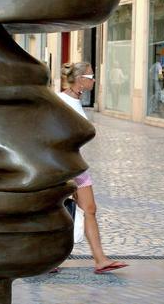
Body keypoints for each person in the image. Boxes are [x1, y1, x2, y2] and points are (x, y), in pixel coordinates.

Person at [59, 62, 128, 274]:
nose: (94, 80)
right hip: (64, 166)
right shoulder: (61, 101)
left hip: (77, 165)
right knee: (55, 212)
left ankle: (100, 259)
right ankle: (48, 259)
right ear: (80, 79)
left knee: (89, 209)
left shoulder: (76, 100)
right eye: (91, 76)